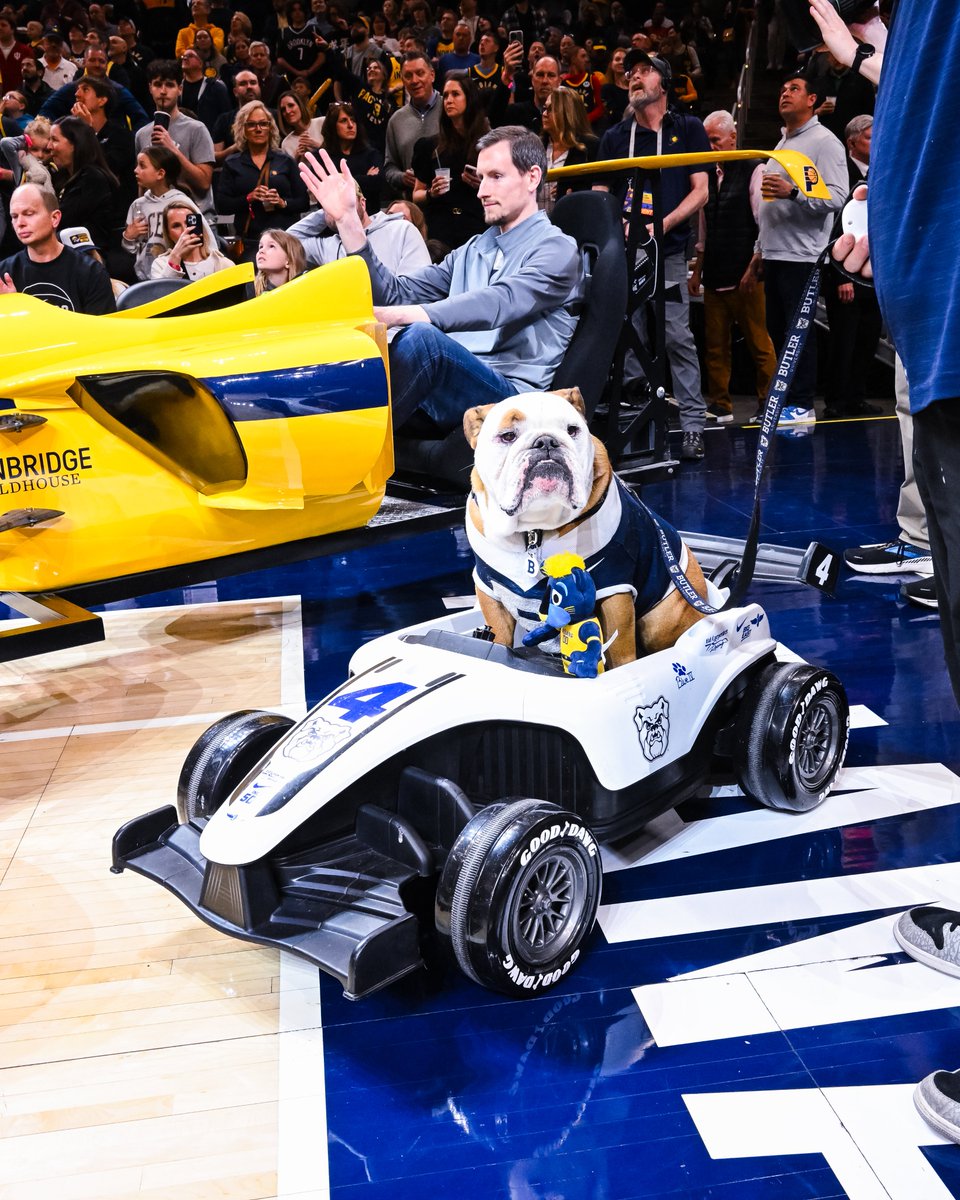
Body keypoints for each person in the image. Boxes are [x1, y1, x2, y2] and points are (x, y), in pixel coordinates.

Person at [299, 125, 583, 433]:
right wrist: (349, 223)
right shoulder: (475, 247)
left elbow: (502, 301)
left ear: (532, 177)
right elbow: (396, 294)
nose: (481, 190)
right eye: (482, 177)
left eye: (496, 177)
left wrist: (411, 315)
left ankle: (338, 455)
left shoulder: (558, 249)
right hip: (451, 386)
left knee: (424, 339)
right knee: (362, 355)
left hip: (514, 402)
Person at [595, 49, 710, 462]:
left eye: (644, 71)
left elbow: (701, 190)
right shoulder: (615, 136)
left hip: (671, 251)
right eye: (631, 72)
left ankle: (694, 425)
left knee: (678, 336)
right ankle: (636, 416)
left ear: (663, 82)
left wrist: (659, 227)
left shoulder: (689, 127)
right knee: (630, 335)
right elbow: (602, 194)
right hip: (626, 253)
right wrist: (615, 229)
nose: (634, 77)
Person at [743, 72, 848, 428]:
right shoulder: (782, 144)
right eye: (783, 89)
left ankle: (802, 404)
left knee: (796, 331)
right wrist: (759, 251)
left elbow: (837, 196)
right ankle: (789, 400)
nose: (785, 93)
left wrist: (794, 193)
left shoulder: (825, 142)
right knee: (778, 331)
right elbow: (768, 206)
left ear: (812, 100)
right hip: (775, 253)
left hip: (802, 255)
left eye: (794, 89)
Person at [690, 109, 777, 424]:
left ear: (732, 138)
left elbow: (764, 221)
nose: (710, 146)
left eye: (715, 140)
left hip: (746, 274)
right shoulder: (707, 175)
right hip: (715, 272)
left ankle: (768, 403)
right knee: (715, 347)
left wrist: (755, 266)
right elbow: (704, 227)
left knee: (759, 344)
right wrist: (698, 269)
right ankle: (720, 405)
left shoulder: (755, 169)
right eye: (707, 141)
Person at [822, 113, 882, 421]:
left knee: (868, 337)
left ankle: (857, 396)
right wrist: (839, 277)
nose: (876, 142)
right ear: (852, 142)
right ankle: (836, 399)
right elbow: (832, 228)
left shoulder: (882, 171)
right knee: (843, 338)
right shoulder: (840, 170)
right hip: (843, 271)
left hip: (873, 272)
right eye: (870, 137)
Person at [0, 182, 115, 312]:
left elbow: (101, 330)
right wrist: (8, 310)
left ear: (54, 218)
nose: (20, 223)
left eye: (29, 213)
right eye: (14, 216)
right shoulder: (4, 274)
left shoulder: (91, 272)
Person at [216, 101, 308, 258]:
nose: (258, 129)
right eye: (251, 125)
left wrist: (282, 202)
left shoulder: (285, 160)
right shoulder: (233, 163)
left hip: (286, 240)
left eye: (263, 124)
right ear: (243, 129)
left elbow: (303, 201)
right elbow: (222, 205)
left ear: (270, 128)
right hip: (252, 243)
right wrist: (249, 198)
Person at [410, 72, 487, 253]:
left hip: (476, 227)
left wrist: (482, 184)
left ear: (469, 98)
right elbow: (416, 195)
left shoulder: (487, 145)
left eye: (455, 94)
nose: (448, 100)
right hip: (440, 229)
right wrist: (431, 192)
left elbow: (503, 190)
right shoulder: (430, 146)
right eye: (445, 95)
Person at [134, 61, 216, 220]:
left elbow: (204, 183)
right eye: (158, 85)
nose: (163, 91)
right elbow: (142, 185)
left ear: (180, 89)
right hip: (156, 220)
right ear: (150, 88)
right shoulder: (141, 135)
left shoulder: (197, 129)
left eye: (170, 85)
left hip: (195, 219)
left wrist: (172, 149)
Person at [288, 183, 431, 271]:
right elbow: (287, 242)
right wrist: (328, 210)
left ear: (362, 203)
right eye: (328, 204)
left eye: (342, 199)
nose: (335, 207)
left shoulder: (400, 230)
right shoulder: (327, 245)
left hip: (395, 318)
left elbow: (415, 289)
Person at [47, 115, 121, 264]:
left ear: (75, 144)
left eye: (54, 140)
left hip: (91, 262)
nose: (49, 146)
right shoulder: (61, 177)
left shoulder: (93, 179)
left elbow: (62, 220)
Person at [122, 145, 194, 279]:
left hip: (176, 274)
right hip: (144, 277)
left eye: (142, 166)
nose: (135, 170)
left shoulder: (182, 203)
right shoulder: (138, 205)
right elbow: (131, 249)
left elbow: (201, 242)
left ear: (160, 173)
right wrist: (128, 237)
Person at [382, 51, 441, 200]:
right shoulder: (396, 120)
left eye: (420, 73)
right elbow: (389, 167)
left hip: (451, 204)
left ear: (432, 75)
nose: (414, 80)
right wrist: (402, 178)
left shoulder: (450, 108)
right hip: (413, 208)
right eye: (408, 76)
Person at [539, 85, 598, 214]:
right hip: (535, 228)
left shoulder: (589, 148)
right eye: (544, 108)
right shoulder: (536, 146)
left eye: (550, 109)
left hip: (573, 223)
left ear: (567, 113)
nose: (544, 114)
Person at [320, 100, 382, 211]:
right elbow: (325, 190)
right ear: (332, 126)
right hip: (334, 220)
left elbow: (377, 184)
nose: (350, 125)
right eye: (344, 121)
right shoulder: (322, 156)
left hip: (369, 219)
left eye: (353, 120)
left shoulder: (371, 154)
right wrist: (365, 178)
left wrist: (339, 179)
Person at [150, 199, 232, 280]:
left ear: (200, 226)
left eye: (188, 223)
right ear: (168, 234)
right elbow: (162, 292)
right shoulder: (160, 265)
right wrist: (175, 257)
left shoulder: (223, 264)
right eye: (176, 226)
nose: (185, 230)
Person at [178, 46, 232, 135]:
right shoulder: (176, 87)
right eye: (183, 56)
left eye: (190, 56)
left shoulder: (216, 87)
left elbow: (226, 118)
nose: (185, 58)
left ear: (200, 63)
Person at [352, 57, 395, 153]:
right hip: (358, 144)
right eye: (369, 68)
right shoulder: (360, 88)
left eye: (376, 67)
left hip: (380, 149)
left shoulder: (389, 100)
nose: (371, 70)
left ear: (384, 75)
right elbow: (342, 73)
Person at [252, 227, 305, 294]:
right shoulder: (251, 290)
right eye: (261, 246)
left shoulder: (304, 288)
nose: (261, 251)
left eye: (271, 246)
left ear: (288, 260)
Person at [276, 89, 324, 162]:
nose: (288, 111)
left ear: (300, 105)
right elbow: (291, 172)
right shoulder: (286, 144)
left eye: (291, 105)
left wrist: (317, 146)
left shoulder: (322, 122)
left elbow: (339, 152)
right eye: (283, 109)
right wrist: (296, 159)